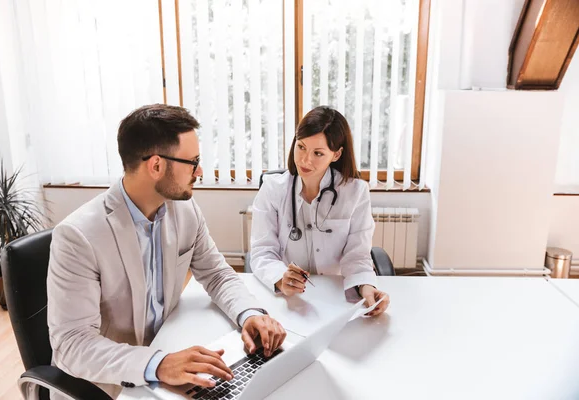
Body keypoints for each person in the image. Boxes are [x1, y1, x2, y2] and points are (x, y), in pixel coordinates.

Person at [47, 104, 286, 399]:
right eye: (193, 161)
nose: (199, 171)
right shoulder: (78, 237)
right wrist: (158, 363)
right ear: (156, 166)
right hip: (109, 383)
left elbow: (216, 273)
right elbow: (72, 344)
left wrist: (249, 314)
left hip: (168, 352)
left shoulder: (184, 209)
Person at [250, 106, 390, 315]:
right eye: (301, 147)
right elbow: (262, 251)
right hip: (290, 300)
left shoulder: (355, 192)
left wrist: (366, 286)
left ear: (336, 154)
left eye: (318, 153)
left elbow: (357, 255)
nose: (305, 160)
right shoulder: (273, 189)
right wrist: (279, 277)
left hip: (335, 298)